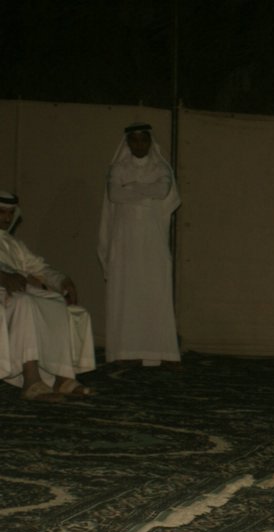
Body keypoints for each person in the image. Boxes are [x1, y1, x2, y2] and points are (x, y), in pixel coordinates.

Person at [98, 122, 182, 367]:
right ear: (127, 143)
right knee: (125, 293)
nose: (139, 145)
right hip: (124, 241)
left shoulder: (160, 167)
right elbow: (115, 194)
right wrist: (145, 193)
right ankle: (124, 351)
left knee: (155, 291)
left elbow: (163, 190)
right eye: (134, 140)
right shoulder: (118, 168)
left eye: (143, 140)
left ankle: (161, 353)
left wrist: (132, 188)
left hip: (152, 240)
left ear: (149, 141)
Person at [0, 190, 96, 400]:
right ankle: (31, 379)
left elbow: (39, 268)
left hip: (17, 292)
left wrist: (62, 280)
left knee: (56, 302)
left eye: (10, 213)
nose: (7, 218)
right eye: (2, 212)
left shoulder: (14, 245)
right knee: (25, 302)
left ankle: (62, 377)